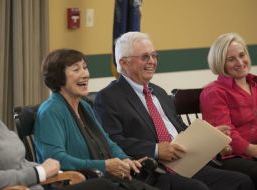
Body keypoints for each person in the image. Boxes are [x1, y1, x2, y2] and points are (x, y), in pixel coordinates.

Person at [33, 48, 217, 190]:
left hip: (107, 177)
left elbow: (108, 142)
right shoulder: (51, 111)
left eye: (85, 67)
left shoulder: (84, 107)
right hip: (80, 182)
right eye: (76, 69)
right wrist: (105, 165)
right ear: (58, 77)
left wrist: (125, 159)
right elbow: (56, 159)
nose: (85, 74)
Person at [93, 31, 254, 190]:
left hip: (186, 163)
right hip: (153, 170)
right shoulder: (108, 97)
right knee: (197, 188)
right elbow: (112, 141)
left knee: (241, 181)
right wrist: (155, 150)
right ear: (124, 63)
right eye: (145, 57)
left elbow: (181, 129)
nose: (152, 61)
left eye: (154, 56)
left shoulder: (160, 92)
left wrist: (210, 138)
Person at [0, 48, 117, 190]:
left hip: (36, 186)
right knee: (106, 186)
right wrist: (39, 172)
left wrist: (56, 172)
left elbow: (18, 163)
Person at [200, 32, 257, 188]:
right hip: (229, 156)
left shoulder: (255, 84)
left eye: (241, 55)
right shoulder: (214, 92)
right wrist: (253, 150)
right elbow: (226, 134)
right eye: (231, 59)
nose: (240, 62)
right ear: (220, 63)